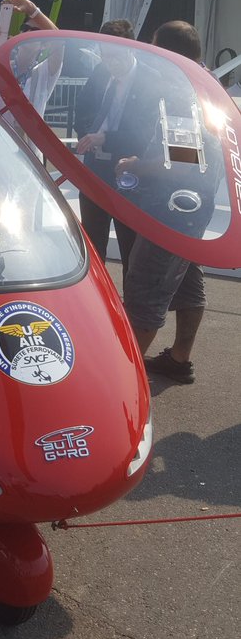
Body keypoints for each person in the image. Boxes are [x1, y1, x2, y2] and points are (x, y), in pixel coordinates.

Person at [119, 20, 215, 384]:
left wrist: (135, 165)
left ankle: (121, 383)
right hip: (194, 209)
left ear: (169, 52)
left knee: (145, 290)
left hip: (172, 210)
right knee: (189, 283)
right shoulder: (206, 84)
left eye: (155, 47)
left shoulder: (180, 92)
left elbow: (181, 162)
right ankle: (178, 359)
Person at [74, 25, 158, 282]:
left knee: (130, 246)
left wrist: (107, 139)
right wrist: (89, 136)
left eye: (117, 55)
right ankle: (96, 302)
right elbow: (82, 110)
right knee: (93, 243)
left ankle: (131, 309)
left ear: (132, 48)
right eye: (106, 54)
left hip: (129, 170)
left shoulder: (149, 79)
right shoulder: (100, 72)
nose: (111, 61)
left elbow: (145, 130)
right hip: (95, 169)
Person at [0, 0, 62, 150]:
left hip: (27, 152)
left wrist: (32, 9)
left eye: (35, 31)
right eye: (25, 28)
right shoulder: (1, 64)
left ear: (44, 45)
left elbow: (59, 41)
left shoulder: (43, 72)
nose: (28, 33)